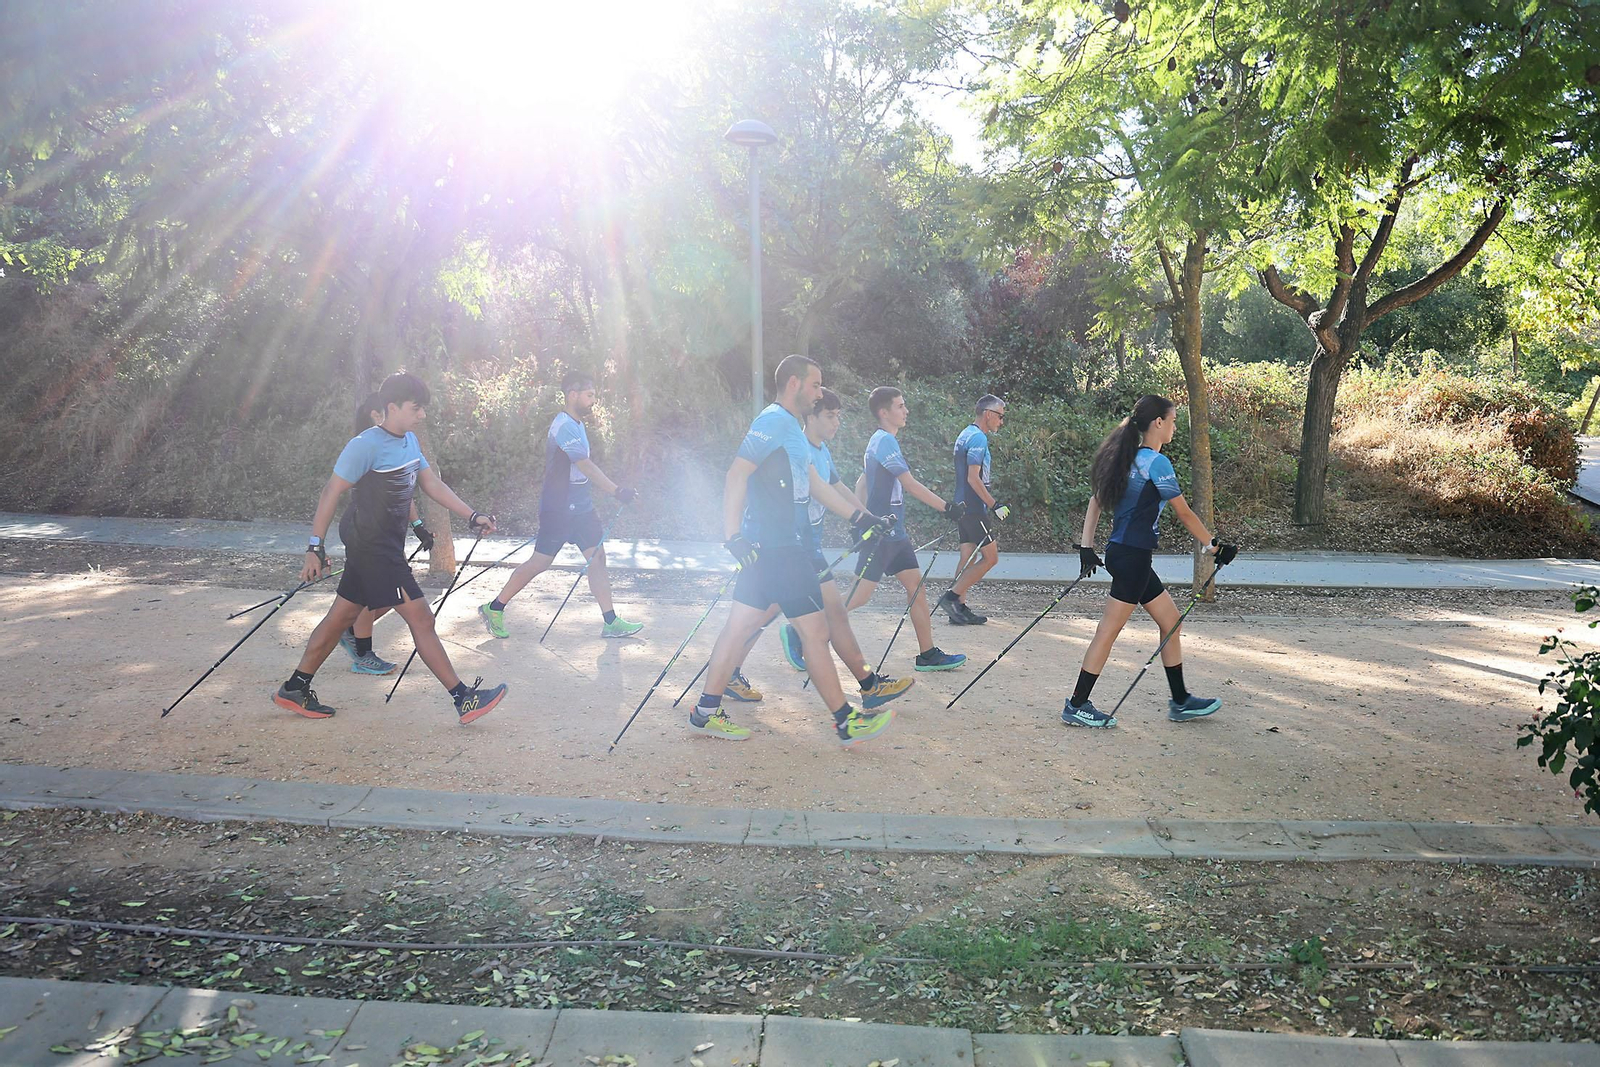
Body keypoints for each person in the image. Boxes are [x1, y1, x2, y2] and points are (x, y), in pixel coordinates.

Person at [687, 355, 899, 746]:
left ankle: (704, 711)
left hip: (771, 548)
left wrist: (860, 518)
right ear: (794, 384)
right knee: (815, 630)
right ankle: (845, 721)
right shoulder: (773, 421)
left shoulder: (791, 431)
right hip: (779, 547)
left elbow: (815, 483)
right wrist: (732, 535)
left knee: (739, 628)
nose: (820, 393)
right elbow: (737, 472)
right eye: (816, 385)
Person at [273, 372, 507, 723]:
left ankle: (295, 686)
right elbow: (330, 492)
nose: (422, 415)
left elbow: (431, 484)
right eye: (416, 408)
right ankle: (463, 698)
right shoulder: (365, 444)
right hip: (374, 551)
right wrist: (314, 548)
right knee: (422, 618)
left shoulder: (409, 441)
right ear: (392, 407)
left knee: (341, 618)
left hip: (386, 549)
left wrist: (471, 516)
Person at [1065, 394, 1236, 728]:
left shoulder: (1126, 458)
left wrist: (1087, 546)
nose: (1173, 427)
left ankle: (1180, 700)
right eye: (1172, 421)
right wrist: (1213, 546)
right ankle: (1077, 703)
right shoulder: (1156, 464)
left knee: (1171, 621)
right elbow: (1184, 513)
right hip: (1132, 559)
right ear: (1158, 422)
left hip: (1126, 555)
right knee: (1108, 632)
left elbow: (1095, 501)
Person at [479, 371, 643, 640]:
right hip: (559, 509)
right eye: (589, 395)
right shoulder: (564, 426)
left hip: (581, 508)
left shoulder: (577, 424)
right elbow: (584, 465)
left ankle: (610, 621)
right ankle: (494, 607)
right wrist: (617, 491)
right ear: (573, 395)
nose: (593, 401)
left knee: (597, 558)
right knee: (539, 562)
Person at [844, 386, 966, 672]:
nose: (906, 410)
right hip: (882, 536)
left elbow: (862, 481)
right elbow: (909, 485)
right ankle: (803, 633)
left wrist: (858, 518)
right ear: (884, 413)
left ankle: (928, 654)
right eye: (900, 406)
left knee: (916, 587)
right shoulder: (884, 441)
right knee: (858, 596)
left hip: (895, 535)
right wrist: (947, 507)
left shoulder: (882, 442)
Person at [333, 393, 438, 676]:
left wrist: (418, 527)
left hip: (383, 532)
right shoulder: (368, 445)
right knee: (380, 592)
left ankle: (347, 633)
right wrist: (314, 546)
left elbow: (403, 490)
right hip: (366, 530)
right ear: (377, 416)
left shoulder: (399, 444)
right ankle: (362, 652)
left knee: (375, 593)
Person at [938, 394, 1010, 625]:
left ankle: (957, 609)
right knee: (991, 558)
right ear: (988, 414)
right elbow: (973, 478)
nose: (1001, 421)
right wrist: (994, 504)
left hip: (962, 504)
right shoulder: (979, 438)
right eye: (1000, 416)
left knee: (967, 556)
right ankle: (951, 598)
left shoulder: (965, 433)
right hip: (974, 507)